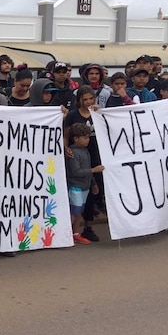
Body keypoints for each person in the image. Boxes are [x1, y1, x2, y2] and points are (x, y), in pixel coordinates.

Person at [63, 86, 102, 243]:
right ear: (79, 99)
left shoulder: (97, 112)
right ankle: (71, 231)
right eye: (84, 99)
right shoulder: (73, 115)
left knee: (93, 194)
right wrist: (66, 148)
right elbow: (65, 134)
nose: (88, 102)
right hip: (78, 156)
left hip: (95, 154)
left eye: (90, 99)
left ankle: (87, 227)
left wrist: (100, 111)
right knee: (76, 201)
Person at [65, 123, 104, 245]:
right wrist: (94, 170)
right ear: (76, 138)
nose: (88, 140)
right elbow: (75, 171)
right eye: (85, 138)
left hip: (85, 186)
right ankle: (66, 234)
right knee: (74, 212)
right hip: (76, 186)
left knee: (79, 212)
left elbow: (87, 167)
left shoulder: (85, 151)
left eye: (88, 137)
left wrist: (93, 183)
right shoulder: (73, 153)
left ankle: (76, 233)